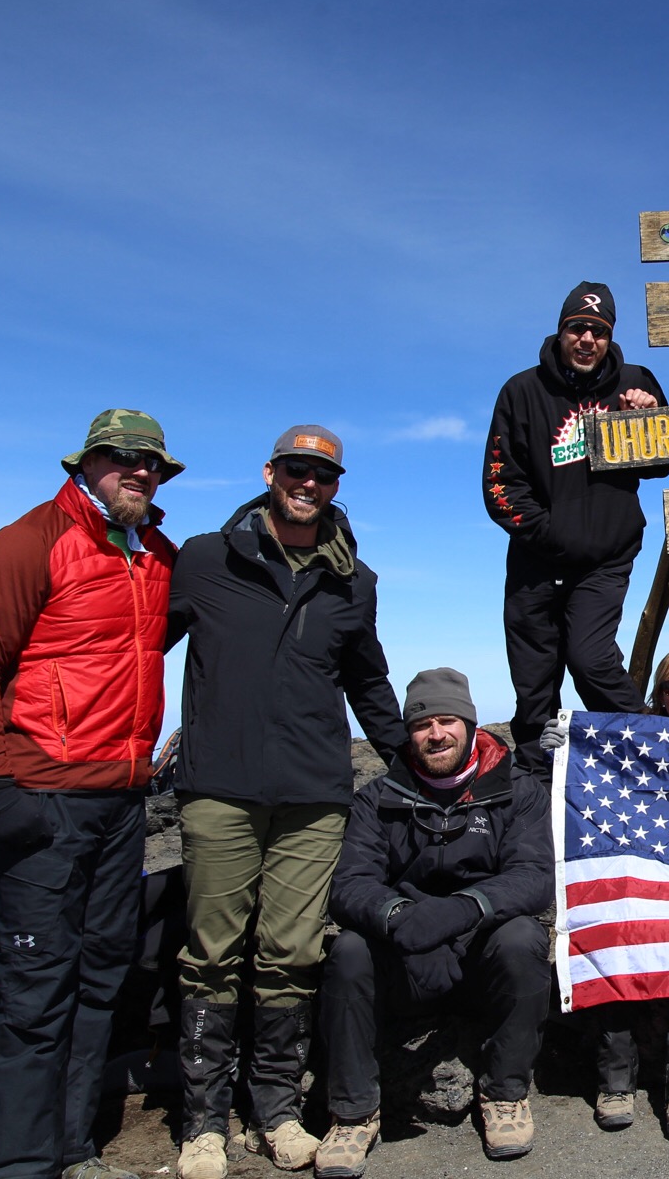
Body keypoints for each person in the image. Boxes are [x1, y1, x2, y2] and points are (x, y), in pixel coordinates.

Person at [0, 409, 183, 1179]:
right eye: (121, 459)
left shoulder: (156, 557)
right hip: (39, 798)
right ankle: (14, 1162)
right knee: (36, 982)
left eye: (151, 463)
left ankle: (71, 1145)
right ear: (85, 465)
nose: (138, 471)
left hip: (120, 804)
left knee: (100, 973)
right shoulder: (30, 541)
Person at [167, 426, 409, 1179]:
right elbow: (141, 645)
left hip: (312, 795)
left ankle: (275, 1110)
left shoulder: (354, 582)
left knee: (293, 953)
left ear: (336, 485)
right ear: (271, 472)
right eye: (297, 470)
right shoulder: (207, 558)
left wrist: (414, 759)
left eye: (324, 475)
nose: (309, 483)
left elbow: (367, 679)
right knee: (212, 953)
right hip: (219, 790)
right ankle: (202, 1124)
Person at [317, 668, 552, 1170]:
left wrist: (462, 910)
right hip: (406, 955)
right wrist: (400, 919)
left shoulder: (518, 790)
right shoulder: (377, 798)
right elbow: (349, 884)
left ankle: (505, 1094)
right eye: (423, 725)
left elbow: (532, 875)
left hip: (479, 953)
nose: (436, 733)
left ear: (469, 724)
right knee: (350, 951)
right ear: (409, 732)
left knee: (522, 938)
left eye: (447, 720)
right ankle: (354, 1114)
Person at [485, 281, 669, 770]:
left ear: (609, 338)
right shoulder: (522, 391)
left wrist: (648, 422)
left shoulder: (636, 381)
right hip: (535, 561)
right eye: (578, 328)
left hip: (605, 559)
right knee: (534, 680)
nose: (587, 339)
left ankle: (654, 755)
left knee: (590, 660)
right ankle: (533, 783)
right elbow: (501, 485)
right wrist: (551, 536)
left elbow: (663, 462)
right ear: (561, 330)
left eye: (599, 331)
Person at [581, 645, 669, 1138]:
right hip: (641, 874)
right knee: (611, 939)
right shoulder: (632, 741)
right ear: (660, 693)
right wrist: (556, 748)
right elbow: (585, 773)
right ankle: (615, 1080)